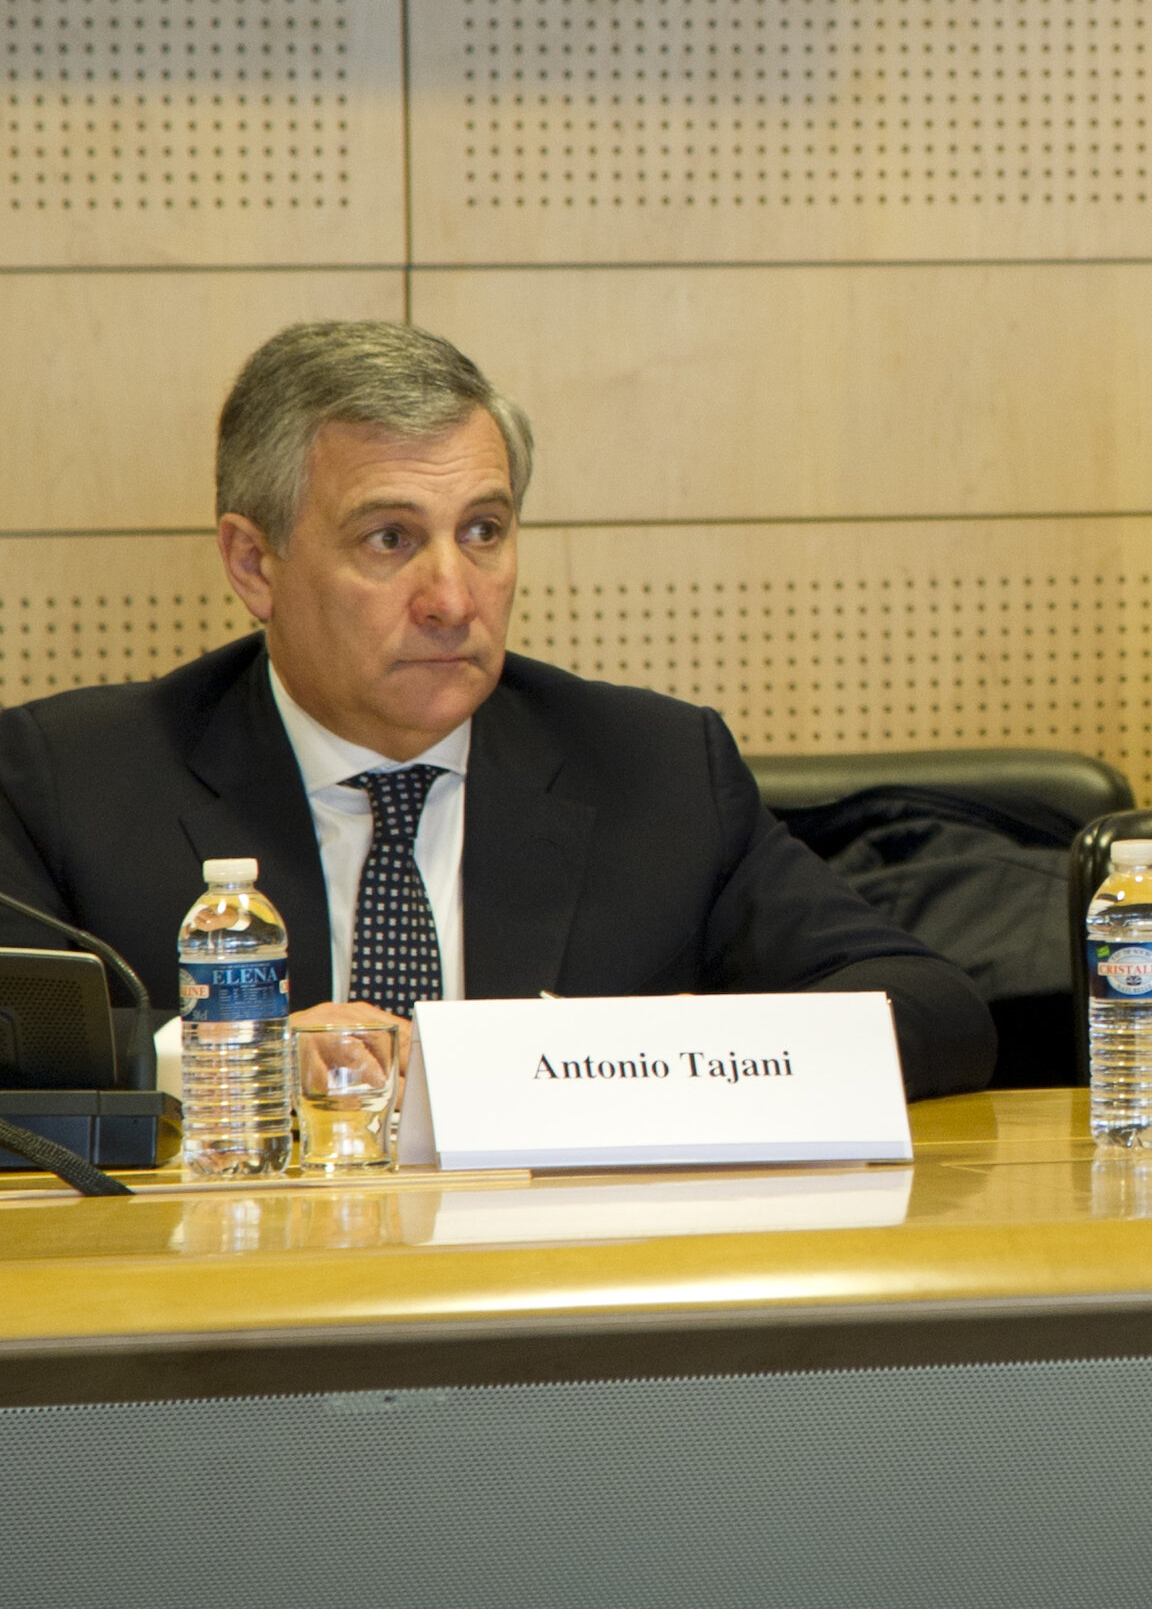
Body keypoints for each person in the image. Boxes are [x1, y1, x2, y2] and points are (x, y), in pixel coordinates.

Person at [0, 321, 995, 1101]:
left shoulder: (655, 769)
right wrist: (228, 1054)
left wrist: (636, 1056)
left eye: (484, 529)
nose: (452, 595)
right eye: (390, 538)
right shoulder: (73, 779)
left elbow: (936, 1009)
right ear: (255, 563)